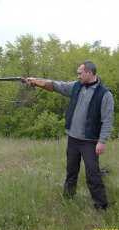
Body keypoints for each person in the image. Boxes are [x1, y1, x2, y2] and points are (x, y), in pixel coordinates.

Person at [25, 60, 114, 210]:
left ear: (90, 73)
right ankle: (68, 198)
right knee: (71, 171)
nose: (78, 76)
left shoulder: (104, 94)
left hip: (90, 141)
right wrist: (35, 82)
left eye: (80, 73)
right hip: (73, 139)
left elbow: (107, 120)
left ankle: (101, 205)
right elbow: (56, 85)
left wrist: (102, 141)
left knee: (93, 174)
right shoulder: (76, 86)